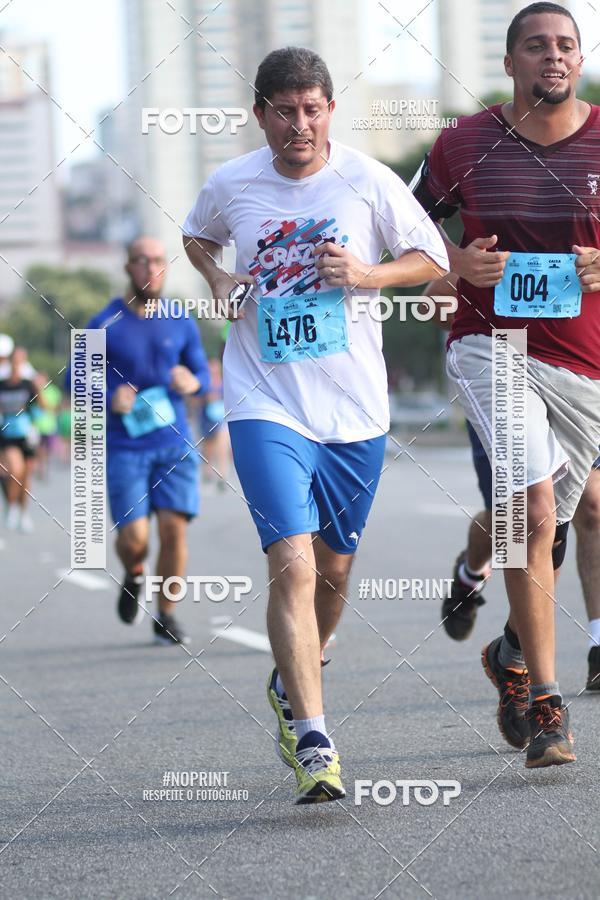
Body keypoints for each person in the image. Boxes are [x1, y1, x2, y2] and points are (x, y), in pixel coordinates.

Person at [182, 46, 448, 803]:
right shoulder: (231, 182)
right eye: (284, 111)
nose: (299, 124)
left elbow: (430, 257)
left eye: (312, 109)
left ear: (330, 109)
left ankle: (292, 675)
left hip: (354, 408)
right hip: (265, 400)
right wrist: (220, 276)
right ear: (260, 113)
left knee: (333, 572)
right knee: (293, 565)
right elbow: (196, 236)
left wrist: (366, 275)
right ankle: (314, 738)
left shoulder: (367, 179)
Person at [413, 2, 600, 767]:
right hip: (494, 344)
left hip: (584, 362)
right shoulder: (464, 142)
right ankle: (550, 706)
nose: (552, 57)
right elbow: (405, 222)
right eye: (536, 46)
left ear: (579, 58)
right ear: (510, 62)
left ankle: (511, 654)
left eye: (565, 45)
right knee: (536, 506)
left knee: (561, 520)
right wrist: (454, 264)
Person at [424, 274, 600, 694]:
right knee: (518, 525)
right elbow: (432, 302)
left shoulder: (584, 223)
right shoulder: (502, 229)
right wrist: (478, 308)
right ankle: (470, 576)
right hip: (503, 371)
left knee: (590, 507)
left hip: (577, 373)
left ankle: (588, 646)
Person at [72, 236, 210, 645]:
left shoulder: (180, 319)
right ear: (127, 267)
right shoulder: (103, 322)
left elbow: (201, 373)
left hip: (173, 442)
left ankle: (165, 616)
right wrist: (106, 396)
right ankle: (134, 572)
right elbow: (73, 379)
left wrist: (193, 381)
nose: (151, 268)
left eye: (157, 261)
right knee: (135, 541)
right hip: (124, 448)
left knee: (173, 531)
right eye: (141, 261)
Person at [0, 346, 45, 532]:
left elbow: (42, 406)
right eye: (15, 360)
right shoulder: (2, 384)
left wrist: (40, 387)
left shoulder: (28, 384)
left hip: (27, 434)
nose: (17, 364)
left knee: (25, 478)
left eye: (21, 360)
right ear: (10, 362)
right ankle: (11, 507)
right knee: (15, 470)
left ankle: (23, 512)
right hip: (7, 434)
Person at [198, 358, 230, 490]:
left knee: (223, 447)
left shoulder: (224, 383)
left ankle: (223, 476)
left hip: (222, 418)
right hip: (207, 419)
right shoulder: (204, 384)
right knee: (208, 447)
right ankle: (207, 469)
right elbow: (196, 401)